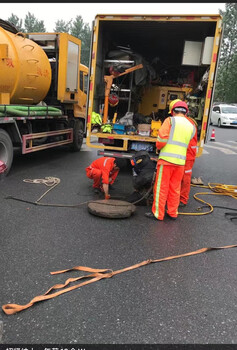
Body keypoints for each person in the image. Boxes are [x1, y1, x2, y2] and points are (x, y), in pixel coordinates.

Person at [145, 100, 196, 221]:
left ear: (173, 111)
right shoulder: (191, 125)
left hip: (167, 161)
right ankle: (173, 212)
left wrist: (158, 148)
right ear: (186, 112)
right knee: (175, 188)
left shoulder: (170, 121)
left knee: (161, 187)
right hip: (180, 163)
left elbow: (161, 141)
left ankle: (158, 213)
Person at [169, 99, 198, 207]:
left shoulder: (181, 122)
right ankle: (178, 199)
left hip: (187, 154)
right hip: (184, 154)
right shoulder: (189, 122)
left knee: (184, 178)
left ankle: (182, 199)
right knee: (180, 178)